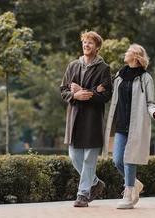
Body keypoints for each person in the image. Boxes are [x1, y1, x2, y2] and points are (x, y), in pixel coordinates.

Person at [101, 43, 155, 209]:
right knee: (117, 160)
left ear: (136, 56)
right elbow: (112, 95)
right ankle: (135, 183)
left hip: (136, 126)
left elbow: (150, 102)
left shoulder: (145, 78)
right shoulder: (120, 75)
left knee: (129, 160)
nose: (125, 53)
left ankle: (128, 194)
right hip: (120, 124)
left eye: (128, 52)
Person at [60, 30, 112, 207]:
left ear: (97, 47)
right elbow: (63, 90)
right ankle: (95, 182)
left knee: (89, 157)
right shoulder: (72, 66)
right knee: (74, 156)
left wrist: (85, 92)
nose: (86, 45)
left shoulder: (104, 68)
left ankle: (82, 194)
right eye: (84, 42)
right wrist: (75, 96)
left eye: (90, 43)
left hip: (93, 118)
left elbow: (107, 95)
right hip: (74, 117)